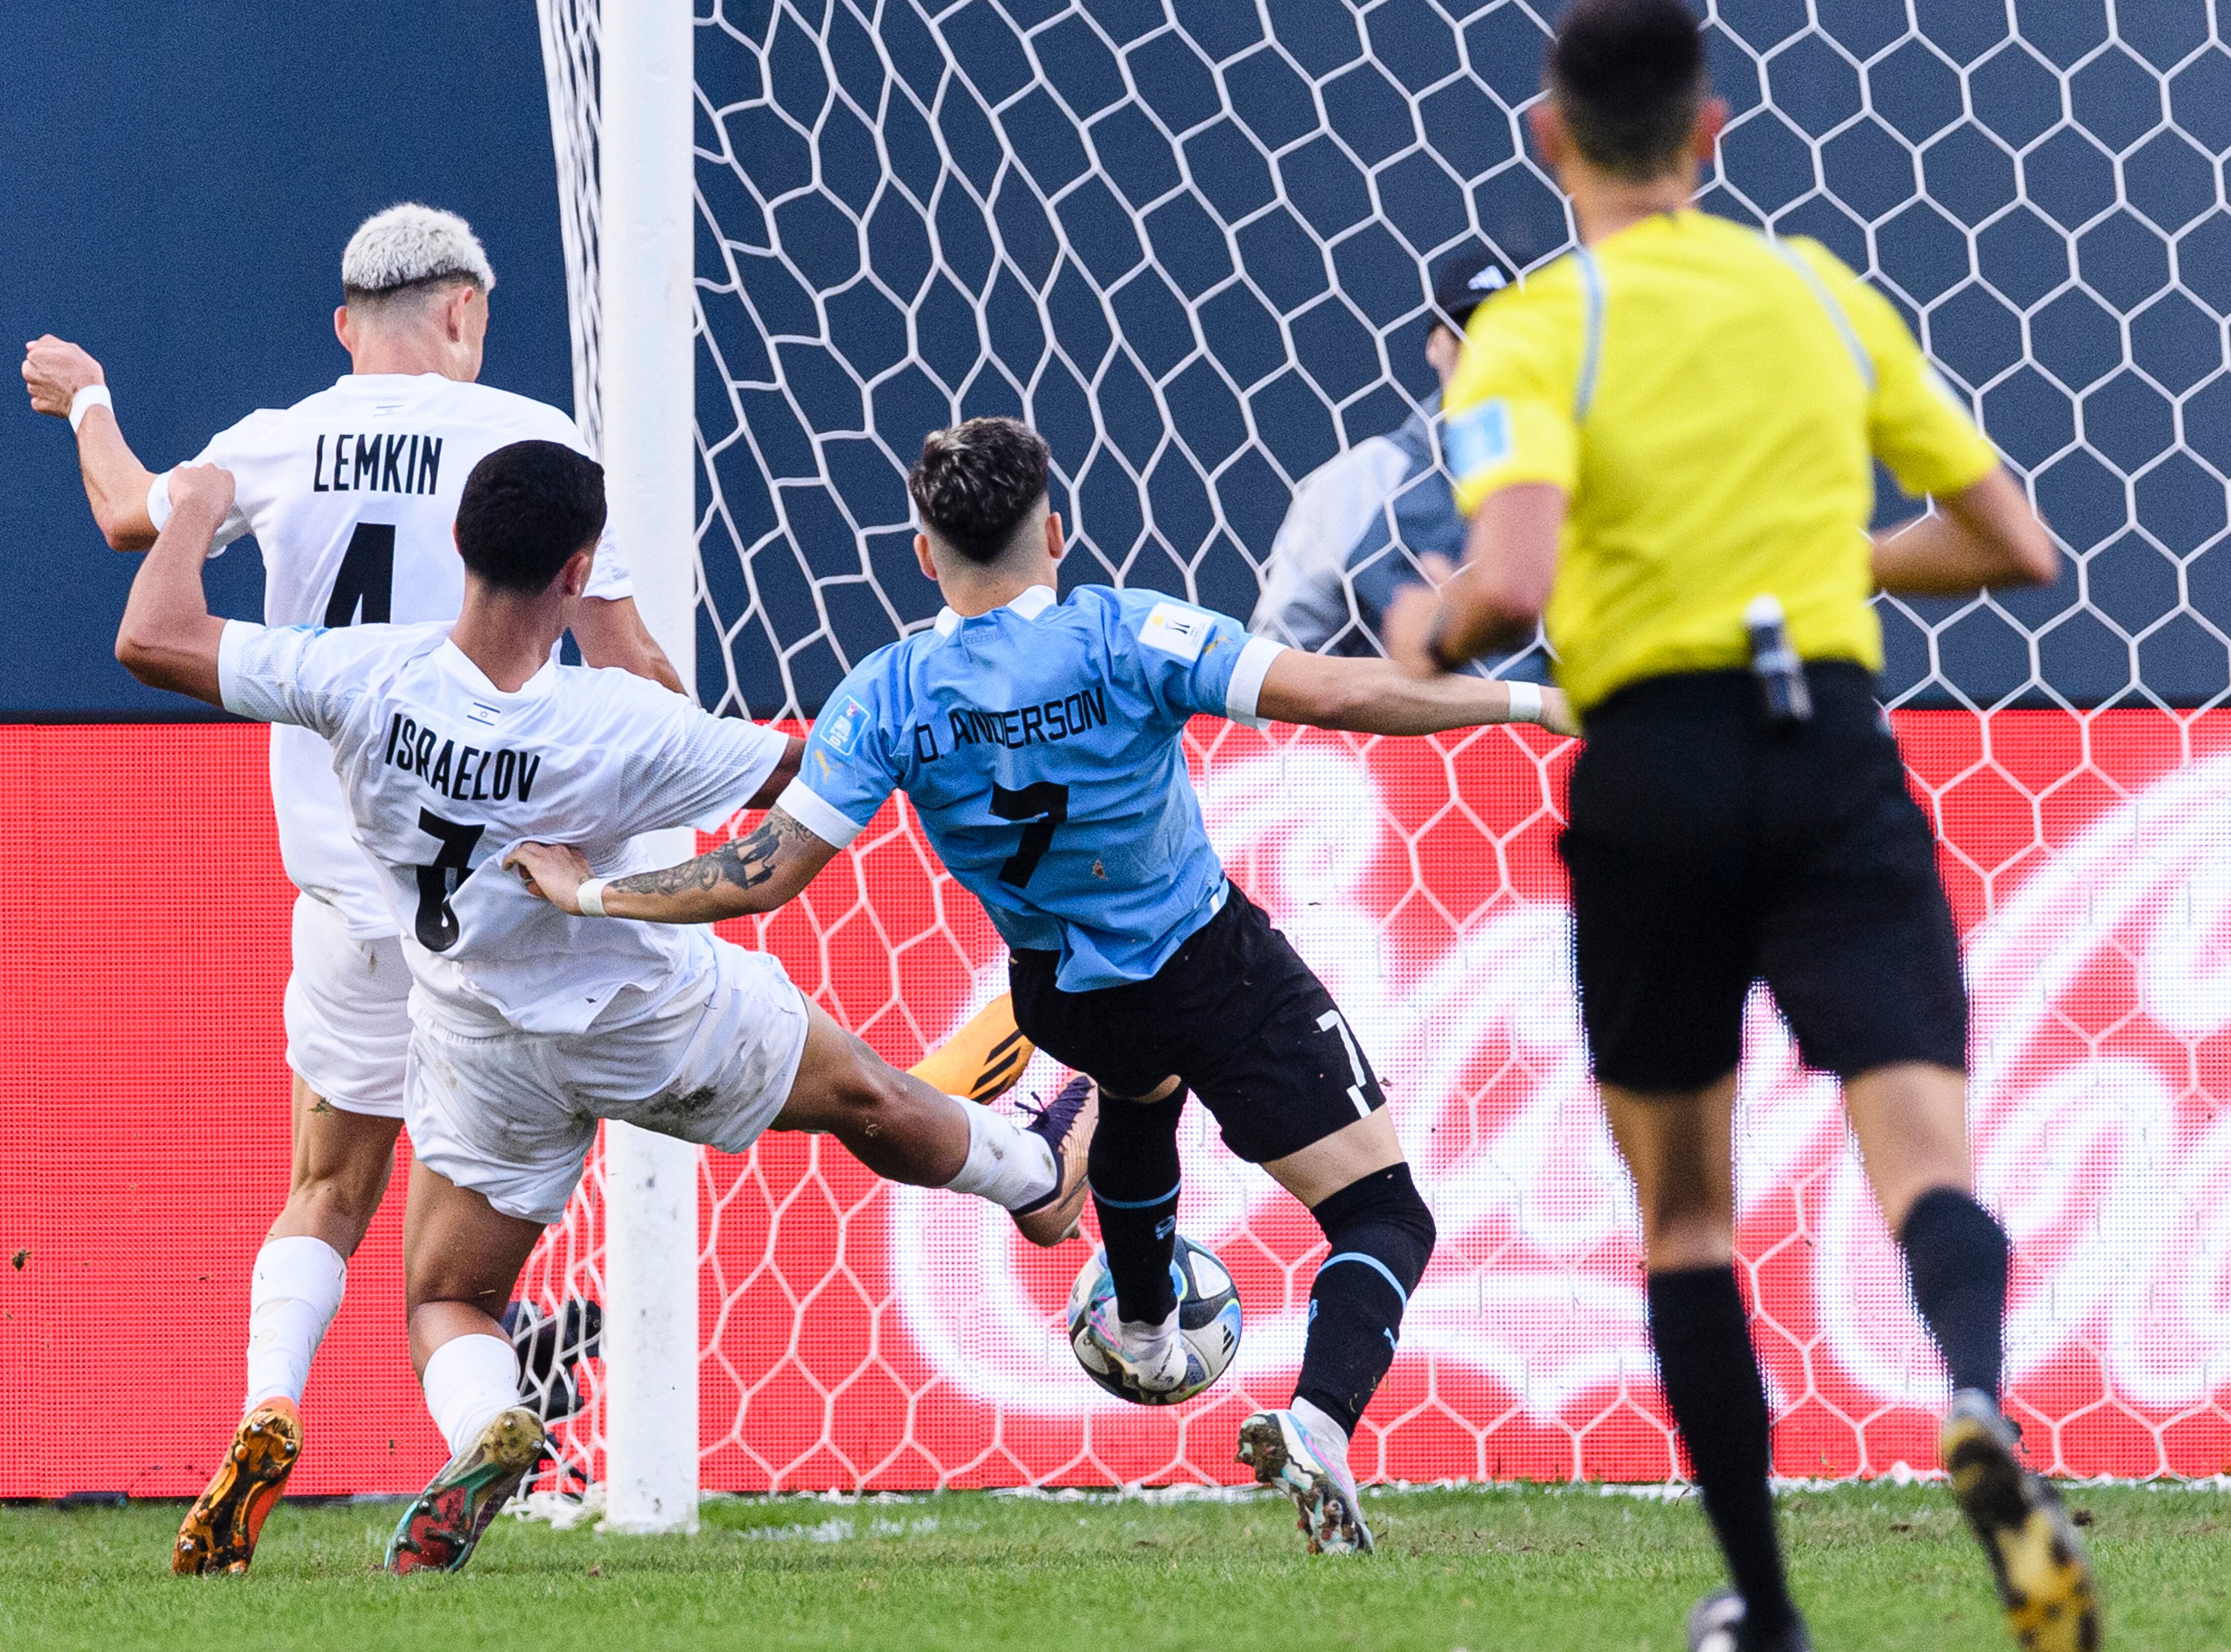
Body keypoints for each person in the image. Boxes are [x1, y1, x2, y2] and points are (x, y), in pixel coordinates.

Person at [500, 415, 1575, 1554]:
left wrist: (593, 899)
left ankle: (1150, 1327)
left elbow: (762, 874)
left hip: (1062, 989)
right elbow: (1341, 696)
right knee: (1381, 1209)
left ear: (923, 556)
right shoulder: (1126, 631)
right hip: (1209, 961)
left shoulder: (887, 692)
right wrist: (1527, 703)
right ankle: (1318, 1416)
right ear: (1054, 533)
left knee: (1138, 1086)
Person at [1384, 3, 2091, 1648]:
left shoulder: (1538, 330)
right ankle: (1978, 1396)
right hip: (1834, 753)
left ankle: (1765, 1611)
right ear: (1711, 134)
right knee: (1924, 1152)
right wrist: (1822, 567)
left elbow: (1519, 582)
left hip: (1657, 770)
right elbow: (2015, 541)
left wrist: (1428, 630)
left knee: (1685, 1216)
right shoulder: (1816, 293)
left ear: (1549, 141)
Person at [112, 441, 1098, 1575]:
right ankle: (1037, 1183)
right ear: (578, 572)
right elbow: (816, 775)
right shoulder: (624, 725)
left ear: (458, 546)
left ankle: (485, 1421)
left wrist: (190, 509)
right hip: (647, 1015)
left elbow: (155, 639)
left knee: (445, 1297)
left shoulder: (360, 675)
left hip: (482, 1042)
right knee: (868, 1096)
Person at [22, 204, 687, 1575]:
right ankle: (499, 1410)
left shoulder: (275, 437)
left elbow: (121, 512)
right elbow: (630, 676)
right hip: (503, 904)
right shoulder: (534, 440)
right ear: (465, 311)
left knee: (326, 1186)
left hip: (346, 901)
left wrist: (87, 398)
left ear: (345, 323)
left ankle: (271, 1401)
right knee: (464, 1260)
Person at [1250, 248, 1516, 665]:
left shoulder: (1608, 476)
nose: (1486, 348)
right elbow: (1279, 667)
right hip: (1403, 728)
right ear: (1433, 345)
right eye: (1468, 329)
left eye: (1512, 330)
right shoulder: (1359, 484)